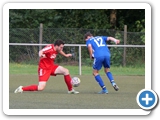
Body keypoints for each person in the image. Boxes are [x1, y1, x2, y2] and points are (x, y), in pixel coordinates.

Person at [14, 40, 79, 94]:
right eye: (61, 47)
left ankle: (70, 90)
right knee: (40, 88)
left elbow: (60, 51)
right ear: (56, 46)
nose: (62, 49)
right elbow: (40, 51)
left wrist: (66, 55)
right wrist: (41, 55)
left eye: (62, 47)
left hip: (51, 67)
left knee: (66, 71)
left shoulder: (57, 49)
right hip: (44, 69)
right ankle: (21, 88)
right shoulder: (49, 48)